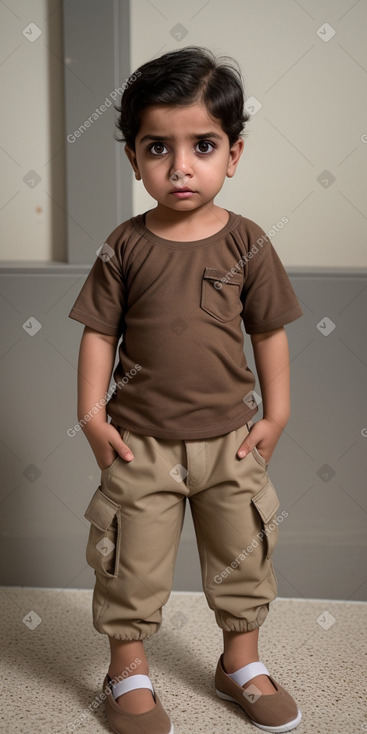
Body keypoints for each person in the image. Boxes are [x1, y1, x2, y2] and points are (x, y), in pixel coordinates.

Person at [69, 46, 303, 734]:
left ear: (233, 153)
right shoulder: (124, 246)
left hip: (231, 443)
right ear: (133, 158)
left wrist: (278, 411)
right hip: (138, 445)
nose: (179, 167)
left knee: (244, 556)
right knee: (128, 564)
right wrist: (89, 414)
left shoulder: (248, 244)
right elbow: (97, 335)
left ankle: (239, 664)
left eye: (201, 145)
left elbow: (268, 333)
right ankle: (127, 671)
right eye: (156, 148)